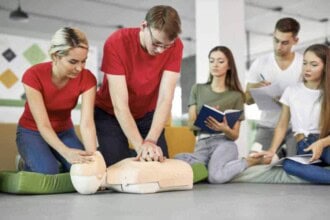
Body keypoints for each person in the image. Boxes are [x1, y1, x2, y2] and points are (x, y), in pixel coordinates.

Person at [94, 5, 183, 166]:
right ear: (144, 26)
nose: (160, 50)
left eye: (166, 46)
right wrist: (141, 148)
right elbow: (119, 105)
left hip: (147, 114)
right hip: (110, 113)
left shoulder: (176, 46)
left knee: (157, 165)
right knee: (117, 165)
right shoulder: (116, 42)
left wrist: (150, 140)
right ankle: (105, 152)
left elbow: (165, 98)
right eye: (156, 43)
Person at [174, 46, 261, 184]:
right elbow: (191, 124)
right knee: (177, 158)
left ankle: (248, 161)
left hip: (224, 143)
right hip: (202, 145)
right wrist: (206, 118)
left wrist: (224, 128)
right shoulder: (197, 89)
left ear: (228, 66)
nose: (215, 64)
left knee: (216, 177)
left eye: (220, 61)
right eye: (212, 60)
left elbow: (234, 135)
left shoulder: (236, 96)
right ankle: (206, 168)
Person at [16, 27, 97, 174]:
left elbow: (87, 124)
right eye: (73, 61)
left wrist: (94, 159)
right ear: (55, 56)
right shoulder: (33, 76)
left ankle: (52, 159)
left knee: (83, 168)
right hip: (32, 131)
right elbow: (44, 125)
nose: (79, 68)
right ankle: (28, 162)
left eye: (83, 61)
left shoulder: (88, 79)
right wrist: (66, 152)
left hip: (64, 131)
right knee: (48, 171)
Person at [253, 44, 330, 184]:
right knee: (289, 165)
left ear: (325, 67)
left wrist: (322, 142)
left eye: (314, 64)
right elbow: (282, 125)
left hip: (326, 142)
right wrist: (272, 150)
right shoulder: (292, 91)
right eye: (305, 63)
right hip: (304, 146)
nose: (307, 68)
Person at [245, 17, 302, 157]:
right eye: (276, 40)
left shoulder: (303, 63)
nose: (278, 47)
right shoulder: (260, 63)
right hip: (267, 126)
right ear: (273, 35)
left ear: (295, 41)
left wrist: (286, 100)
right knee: (254, 160)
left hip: (296, 128)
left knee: (295, 166)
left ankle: (281, 154)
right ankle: (279, 154)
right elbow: (247, 99)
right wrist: (257, 88)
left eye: (285, 43)